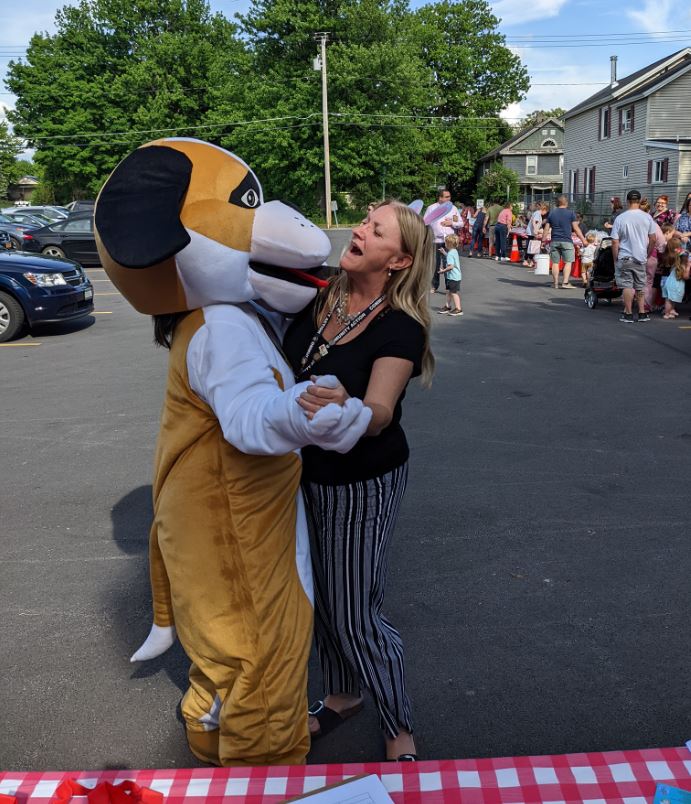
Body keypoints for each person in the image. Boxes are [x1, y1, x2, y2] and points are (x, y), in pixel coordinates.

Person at [283, 200, 434, 763]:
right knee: (321, 595)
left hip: (361, 480)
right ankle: (344, 695)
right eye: (363, 221)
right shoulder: (319, 296)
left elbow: (380, 412)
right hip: (299, 473)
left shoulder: (401, 325)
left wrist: (350, 406)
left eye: (375, 228)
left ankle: (398, 725)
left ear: (399, 259)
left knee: (354, 611)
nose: (358, 229)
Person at [610, 189, 657, 323]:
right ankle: (642, 313)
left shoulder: (620, 218)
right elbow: (653, 238)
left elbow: (614, 241)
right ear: (639, 200)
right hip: (640, 257)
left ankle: (629, 313)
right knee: (640, 285)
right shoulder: (647, 217)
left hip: (625, 256)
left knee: (627, 285)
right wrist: (647, 254)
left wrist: (615, 258)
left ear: (628, 201)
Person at [542, 195, 586, 289]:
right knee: (568, 262)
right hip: (567, 241)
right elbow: (576, 228)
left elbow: (546, 228)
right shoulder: (571, 213)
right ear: (566, 203)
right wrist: (583, 240)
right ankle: (565, 283)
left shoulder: (552, 213)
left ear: (557, 203)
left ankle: (555, 283)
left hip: (554, 241)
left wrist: (543, 240)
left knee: (555, 263)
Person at [424, 188, 461, 293]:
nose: (449, 198)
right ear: (440, 198)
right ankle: (434, 286)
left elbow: (460, 223)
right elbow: (424, 223)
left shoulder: (453, 209)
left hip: (449, 241)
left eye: (449, 196)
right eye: (446, 197)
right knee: (435, 264)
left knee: (448, 263)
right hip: (435, 240)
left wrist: (452, 223)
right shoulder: (431, 208)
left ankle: (449, 286)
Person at [639, 198, 667, 312]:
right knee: (648, 281)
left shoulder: (632, 222)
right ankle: (645, 305)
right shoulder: (653, 224)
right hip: (651, 256)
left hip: (634, 255)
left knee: (632, 280)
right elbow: (661, 243)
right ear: (649, 210)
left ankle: (628, 305)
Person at [438, 234, 463, 315]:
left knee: (453, 293)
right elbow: (450, 257)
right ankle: (447, 306)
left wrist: (443, 271)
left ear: (448, 244)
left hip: (453, 277)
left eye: (445, 243)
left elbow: (451, 266)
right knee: (449, 291)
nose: (445, 244)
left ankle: (458, 309)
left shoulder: (451, 253)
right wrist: (444, 252)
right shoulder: (453, 251)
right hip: (455, 276)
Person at [662, 251, 689, 319]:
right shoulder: (683, 266)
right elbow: (685, 277)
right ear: (686, 259)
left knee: (670, 299)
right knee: (669, 300)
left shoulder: (675, 265)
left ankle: (670, 311)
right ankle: (667, 313)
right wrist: (688, 267)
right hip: (676, 285)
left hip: (669, 283)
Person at [523, 202, 546, 268]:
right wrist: (536, 231)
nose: (545, 213)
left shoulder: (536, 213)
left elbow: (536, 223)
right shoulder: (538, 213)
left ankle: (527, 260)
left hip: (531, 232)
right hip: (532, 232)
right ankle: (529, 261)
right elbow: (535, 222)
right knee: (532, 247)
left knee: (530, 246)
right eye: (545, 212)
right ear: (543, 209)